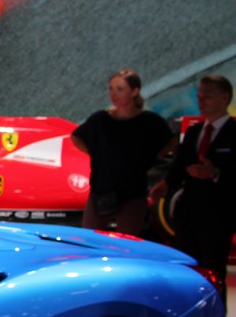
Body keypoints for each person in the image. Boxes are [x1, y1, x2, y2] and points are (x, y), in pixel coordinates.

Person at [154, 75, 235, 298]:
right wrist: (165, 184)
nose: (201, 101)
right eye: (199, 96)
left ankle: (215, 312)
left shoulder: (234, 132)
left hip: (218, 214)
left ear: (224, 98)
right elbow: (179, 167)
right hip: (188, 212)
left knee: (213, 270)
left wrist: (215, 173)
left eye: (207, 96)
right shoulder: (194, 132)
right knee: (187, 269)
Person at [71, 69, 175, 235]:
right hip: (102, 190)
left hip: (133, 192)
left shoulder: (149, 121)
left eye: (120, 89)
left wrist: (152, 157)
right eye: (111, 89)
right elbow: (77, 136)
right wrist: (97, 154)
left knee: (127, 240)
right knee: (89, 238)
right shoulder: (100, 119)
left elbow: (171, 141)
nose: (113, 94)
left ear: (134, 91)